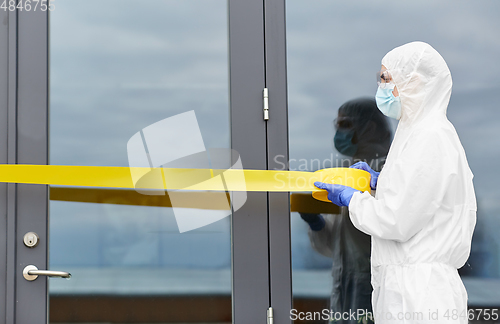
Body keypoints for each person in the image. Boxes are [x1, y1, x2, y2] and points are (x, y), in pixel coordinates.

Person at [314, 41, 477, 324]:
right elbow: (415, 196)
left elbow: (395, 220)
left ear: (413, 81)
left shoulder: (430, 136)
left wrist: (353, 198)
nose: (382, 88)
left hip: (421, 297)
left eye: (386, 79)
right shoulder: (416, 133)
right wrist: (382, 183)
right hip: (407, 289)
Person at [300, 97, 392, 324]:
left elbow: (393, 225)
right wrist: (316, 223)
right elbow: (335, 246)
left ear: (368, 128)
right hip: (347, 283)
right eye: (337, 125)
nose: (338, 132)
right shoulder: (344, 174)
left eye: (344, 125)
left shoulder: (390, 172)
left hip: (376, 283)